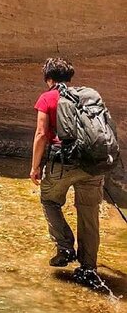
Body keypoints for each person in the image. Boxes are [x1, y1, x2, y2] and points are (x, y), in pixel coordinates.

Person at [30, 58, 104, 288]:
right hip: (92, 163)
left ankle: (64, 247)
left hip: (61, 162)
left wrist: (34, 167)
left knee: (50, 200)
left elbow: (42, 134)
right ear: (70, 78)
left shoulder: (48, 97)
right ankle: (88, 267)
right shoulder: (88, 96)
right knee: (89, 214)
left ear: (49, 79)